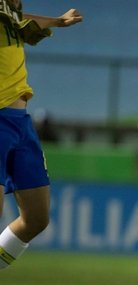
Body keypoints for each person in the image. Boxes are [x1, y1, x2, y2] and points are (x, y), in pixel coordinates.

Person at [0, 1, 82, 270]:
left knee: (36, 219)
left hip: (20, 121)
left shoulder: (8, 8)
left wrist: (57, 22)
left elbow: (19, 19)